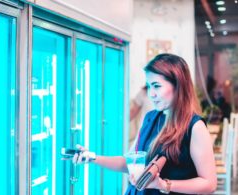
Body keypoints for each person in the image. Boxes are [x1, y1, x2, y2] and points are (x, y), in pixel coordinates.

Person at [72, 53, 217, 195]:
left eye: (156, 86)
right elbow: (131, 163)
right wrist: (92, 158)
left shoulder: (195, 127)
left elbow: (209, 184)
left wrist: (164, 184)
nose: (151, 94)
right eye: (149, 86)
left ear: (178, 85)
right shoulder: (151, 118)